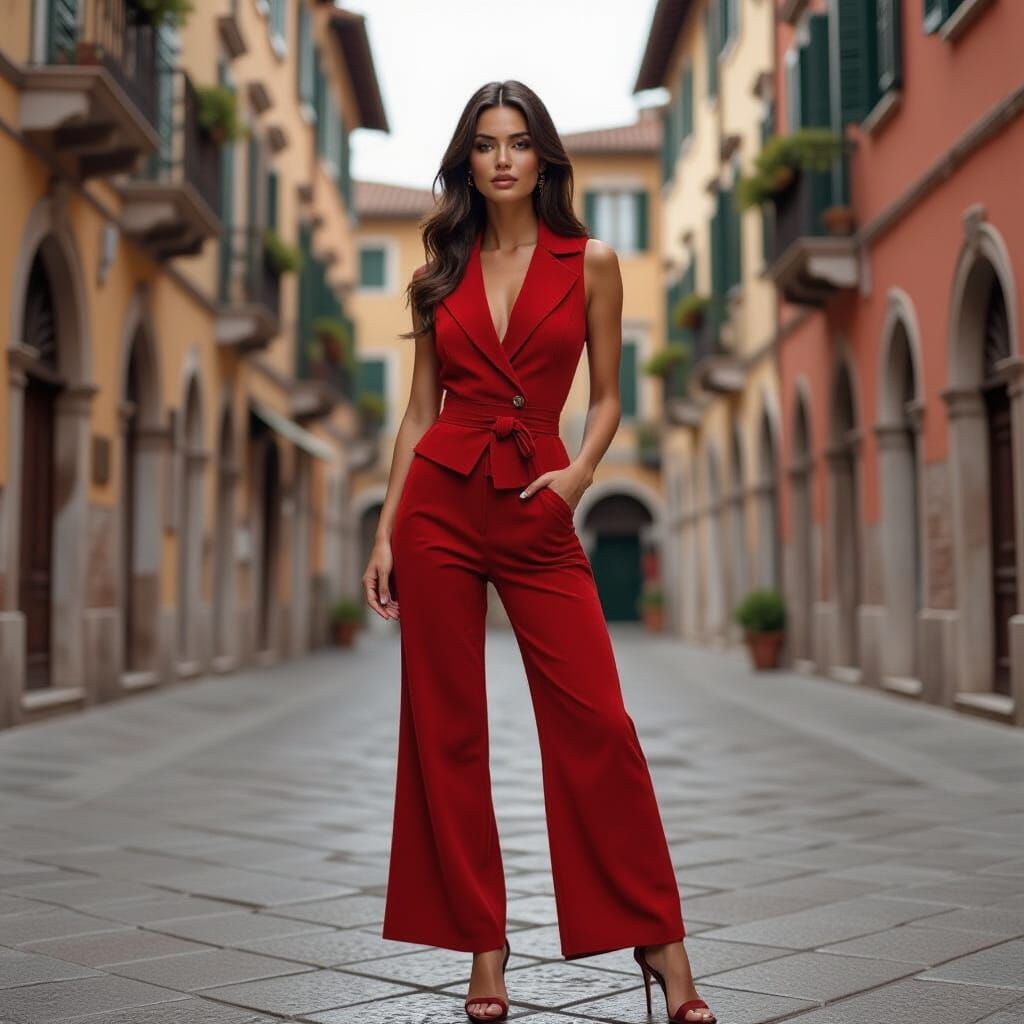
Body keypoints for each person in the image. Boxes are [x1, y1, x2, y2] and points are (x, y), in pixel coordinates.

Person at [362, 81, 717, 1024]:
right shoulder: (441, 265)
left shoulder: (591, 259)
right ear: (468, 161)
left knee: (598, 723)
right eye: (486, 144)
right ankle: (485, 946)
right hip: (439, 502)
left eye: (520, 143)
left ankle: (661, 944)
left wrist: (579, 477)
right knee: (446, 730)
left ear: (546, 159)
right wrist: (387, 527)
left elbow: (607, 397)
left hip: (540, 502)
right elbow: (416, 413)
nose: (504, 158)